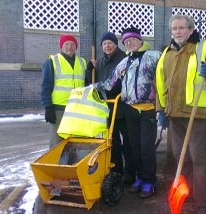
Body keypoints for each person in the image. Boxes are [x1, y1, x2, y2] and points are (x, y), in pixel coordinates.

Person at [155, 14, 206, 214]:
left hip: (196, 113)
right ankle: (185, 194)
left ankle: (202, 204)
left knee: (199, 160)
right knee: (181, 158)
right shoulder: (167, 53)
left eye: (181, 28)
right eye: (174, 29)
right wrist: (160, 109)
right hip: (174, 114)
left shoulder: (204, 47)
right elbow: (160, 82)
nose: (177, 32)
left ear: (190, 29)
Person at [94, 26, 161, 199]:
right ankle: (139, 178)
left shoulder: (154, 56)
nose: (129, 43)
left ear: (140, 39)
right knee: (134, 147)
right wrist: (91, 88)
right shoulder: (124, 62)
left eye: (131, 39)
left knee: (146, 148)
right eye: (125, 41)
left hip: (148, 110)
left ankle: (149, 182)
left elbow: (166, 77)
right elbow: (110, 83)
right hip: (130, 110)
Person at [85, 32, 135, 184]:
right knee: (112, 142)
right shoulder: (99, 62)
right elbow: (91, 84)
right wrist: (89, 70)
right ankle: (116, 171)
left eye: (110, 43)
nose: (107, 46)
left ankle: (131, 172)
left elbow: (120, 83)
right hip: (107, 109)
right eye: (104, 44)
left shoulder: (124, 59)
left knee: (128, 142)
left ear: (115, 44)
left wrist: (107, 89)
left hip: (123, 107)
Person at [41, 34, 87, 148]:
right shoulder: (52, 61)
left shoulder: (82, 62)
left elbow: (87, 84)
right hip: (59, 109)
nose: (69, 47)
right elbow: (46, 86)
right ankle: (56, 165)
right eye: (66, 44)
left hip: (77, 108)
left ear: (76, 47)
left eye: (72, 44)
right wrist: (48, 107)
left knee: (75, 142)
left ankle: (72, 165)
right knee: (57, 143)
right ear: (61, 46)